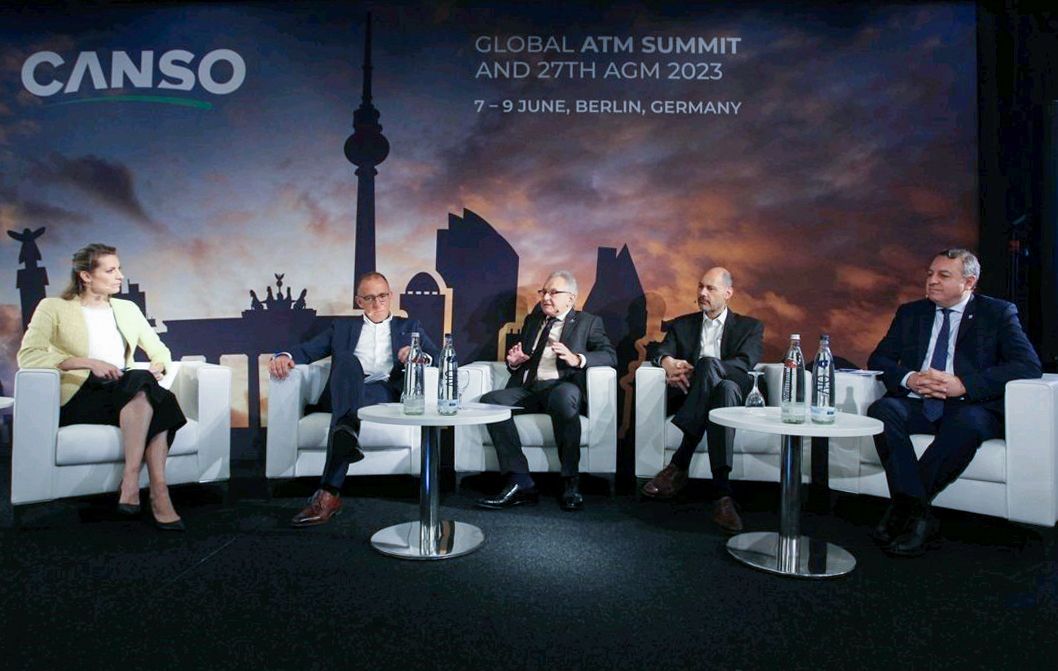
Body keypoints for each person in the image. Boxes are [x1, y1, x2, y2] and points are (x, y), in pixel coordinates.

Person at [867, 249, 1042, 557]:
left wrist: (964, 385)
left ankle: (904, 511)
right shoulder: (911, 313)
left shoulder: (997, 313)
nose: (932, 281)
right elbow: (879, 359)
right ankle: (918, 513)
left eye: (943, 275)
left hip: (969, 406)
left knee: (967, 423)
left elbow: (1027, 365)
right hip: (919, 402)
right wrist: (909, 378)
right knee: (882, 410)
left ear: (969, 282)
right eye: (930, 274)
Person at [17, 243, 187, 530]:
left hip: (124, 392)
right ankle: (155, 493)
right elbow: (28, 355)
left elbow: (160, 351)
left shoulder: (127, 309)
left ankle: (140, 485)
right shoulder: (54, 307)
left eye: (119, 268)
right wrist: (86, 362)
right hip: (81, 396)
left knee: (144, 384)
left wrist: (158, 365)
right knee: (161, 398)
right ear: (86, 276)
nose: (120, 276)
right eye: (110, 270)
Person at [269, 272, 438, 527]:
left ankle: (329, 493)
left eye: (382, 296)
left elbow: (438, 356)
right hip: (345, 387)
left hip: (382, 392)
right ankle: (344, 439)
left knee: (344, 422)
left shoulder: (409, 327)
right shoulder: (342, 327)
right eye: (369, 298)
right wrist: (283, 355)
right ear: (359, 301)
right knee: (347, 361)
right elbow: (308, 350)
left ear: (390, 296)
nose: (377, 303)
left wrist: (418, 356)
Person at [475, 270, 616, 512]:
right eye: (544, 292)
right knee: (491, 402)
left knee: (564, 398)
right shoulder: (534, 320)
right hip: (529, 389)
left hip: (561, 387)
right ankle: (520, 480)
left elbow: (610, 355)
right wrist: (515, 363)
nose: (546, 298)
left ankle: (570, 482)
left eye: (553, 292)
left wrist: (577, 358)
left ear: (571, 298)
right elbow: (523, 358)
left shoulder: (588, 322)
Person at [640, 267, 764, 533]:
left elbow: (745, 362)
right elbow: (660, 350)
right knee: (722, 392)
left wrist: (703, 369)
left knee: (716, 373)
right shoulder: (683, 324)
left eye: (710, 288)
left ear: (728, 293)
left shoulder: (750, 327)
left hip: (735, 385)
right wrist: (667, 362)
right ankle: (722, 495)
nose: (702, 293)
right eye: (700, 287)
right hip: (702, 393)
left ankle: (679, 462)